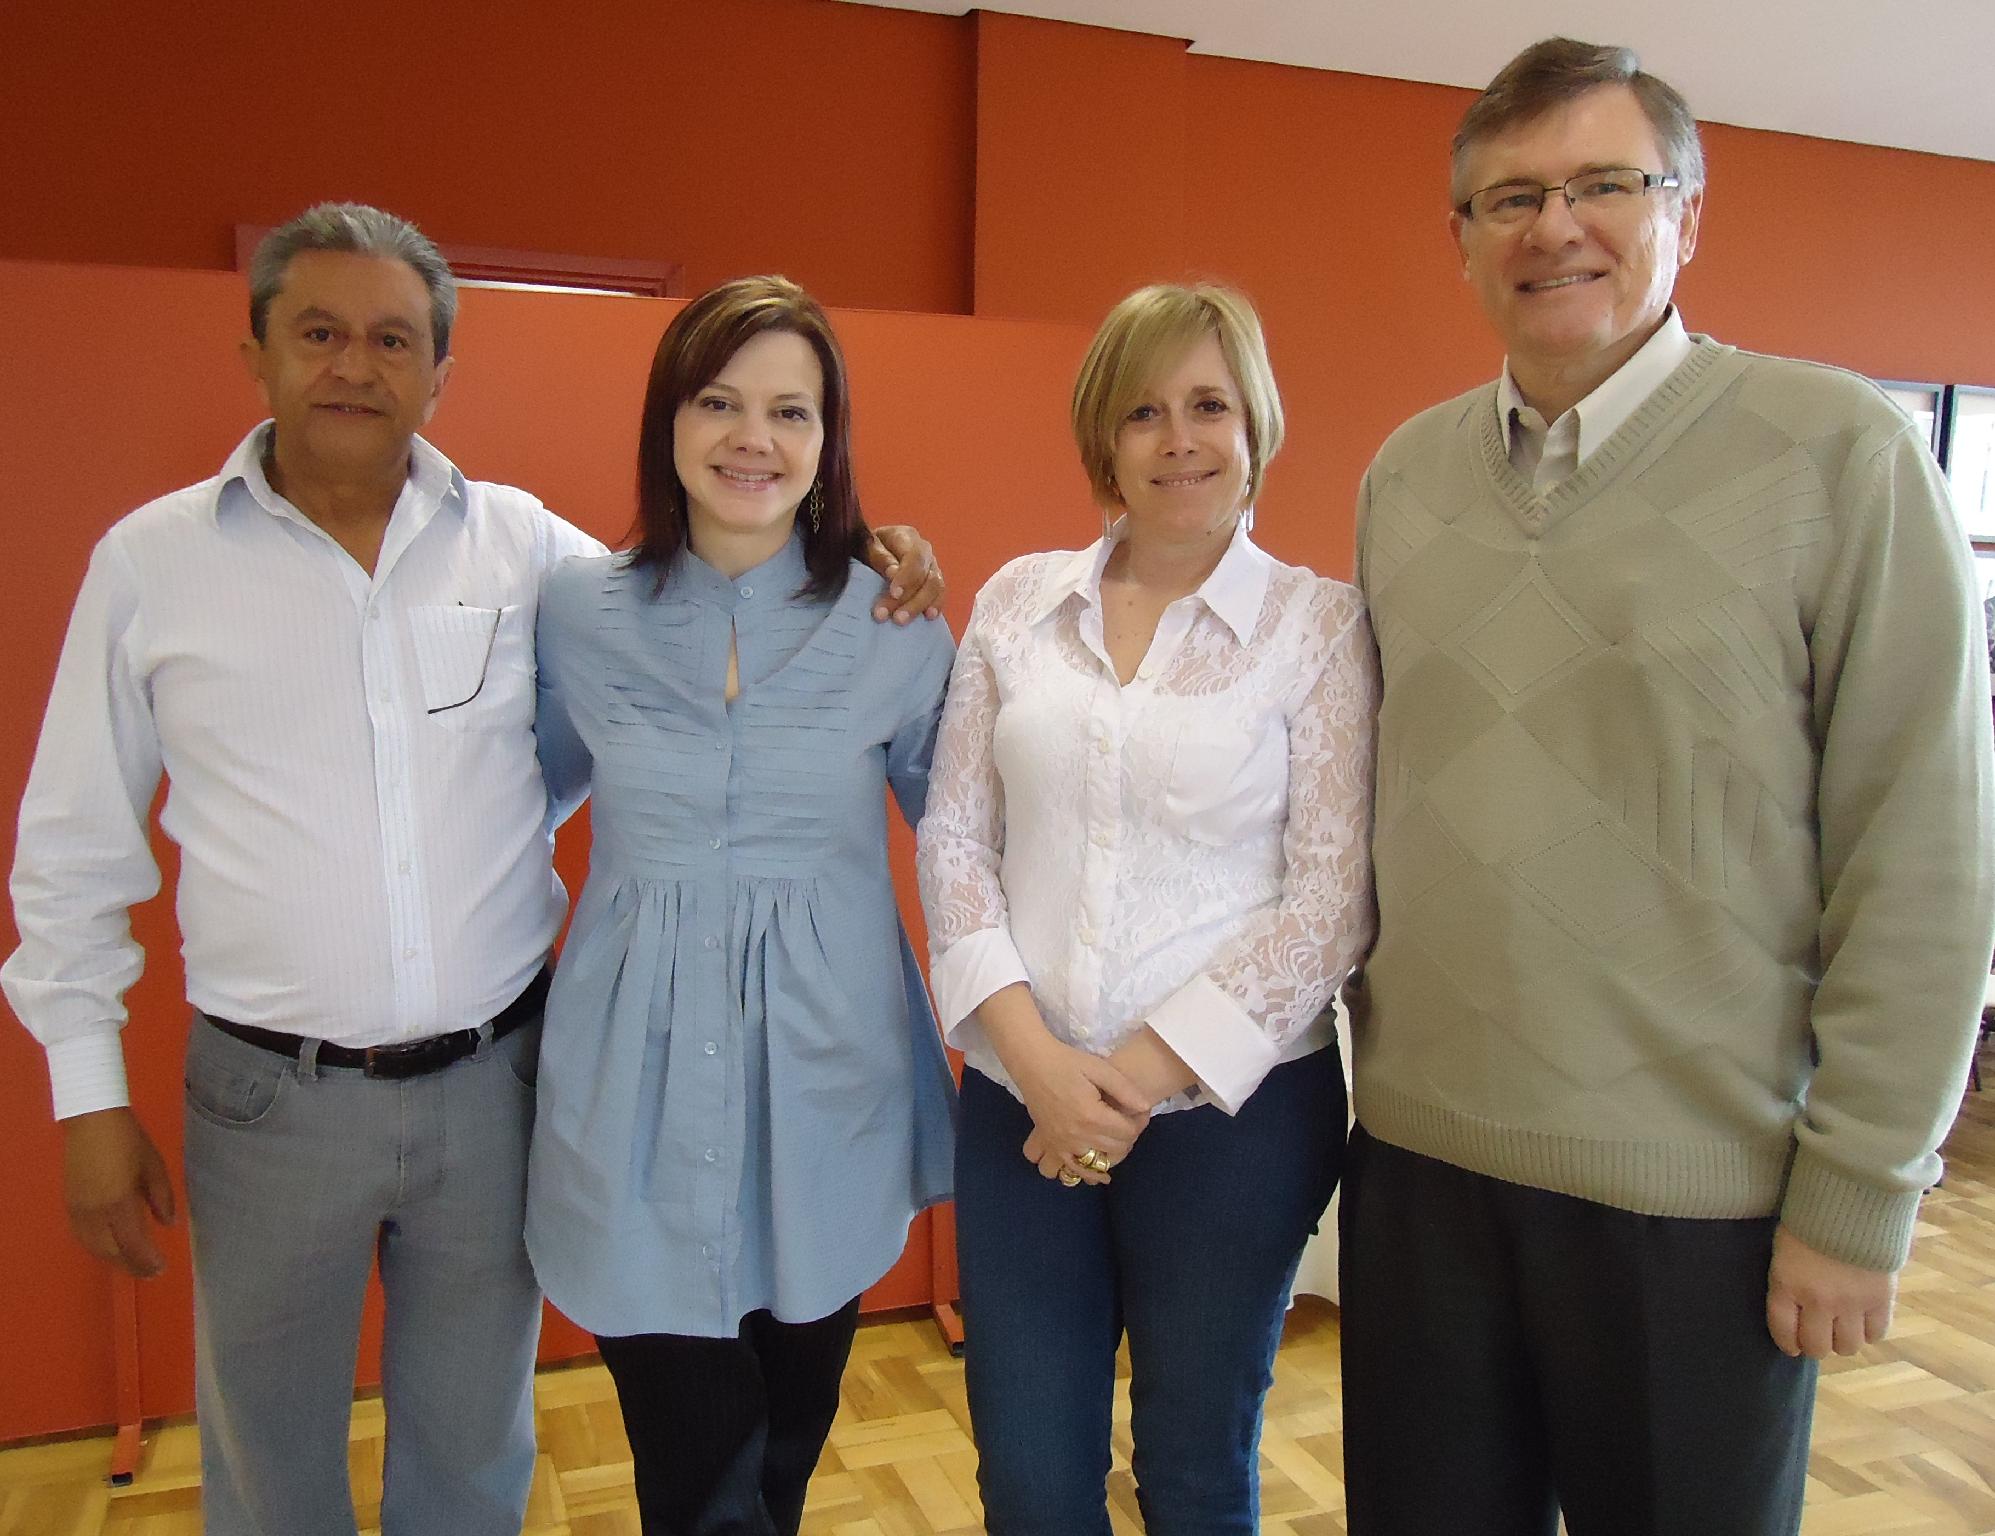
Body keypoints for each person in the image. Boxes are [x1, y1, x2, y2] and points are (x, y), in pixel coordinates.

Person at [1, 205, 942, 1536]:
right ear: (256, 352)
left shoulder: (526, 553)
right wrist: (86, 1093)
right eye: (318, 332)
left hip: (492, 1084)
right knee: (266, 1461)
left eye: (392, 338)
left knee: (472, 1452)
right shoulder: (156, 563)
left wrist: (882, 551)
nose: (354, 364)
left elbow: (707, 641)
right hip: (270, 1097)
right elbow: (73, 847)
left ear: (439, 371)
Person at [1340, 39, 1995, 1536]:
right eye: (1509, 197)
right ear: (1460, 240)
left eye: (1603, 184)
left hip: (1700, 1206)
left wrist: (1860, 1191)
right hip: (1421, 1171)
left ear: (1686, 212)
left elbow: (1923, 852)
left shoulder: (1841, 456)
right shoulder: (1403, 477)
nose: (1552, 226)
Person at [917, 282, 1378, 1535]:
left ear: (1256, 426)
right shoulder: (1017, 602)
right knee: (1030, 1480)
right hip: (1021, 1105)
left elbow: (1332, 898)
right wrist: (1038, 1065)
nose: (1180, 439)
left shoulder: (1318, 626)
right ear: (1103, 439)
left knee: (1194, 1471)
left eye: (1209, 406)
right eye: (1144, 411)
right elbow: (954, 838)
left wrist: (1121, 1082)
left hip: (1235, 1120)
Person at [525, 275, 958, 1536]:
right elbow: (517, 800)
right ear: (669, 419)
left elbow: (966, 843)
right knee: (691, 1474)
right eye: (718, 402)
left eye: (790, 411)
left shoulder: (897, 625)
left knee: (784, 1453)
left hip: (830, 1090)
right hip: (635, 1095)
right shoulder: (577, 611)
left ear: (829, 440)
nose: (752, 438)